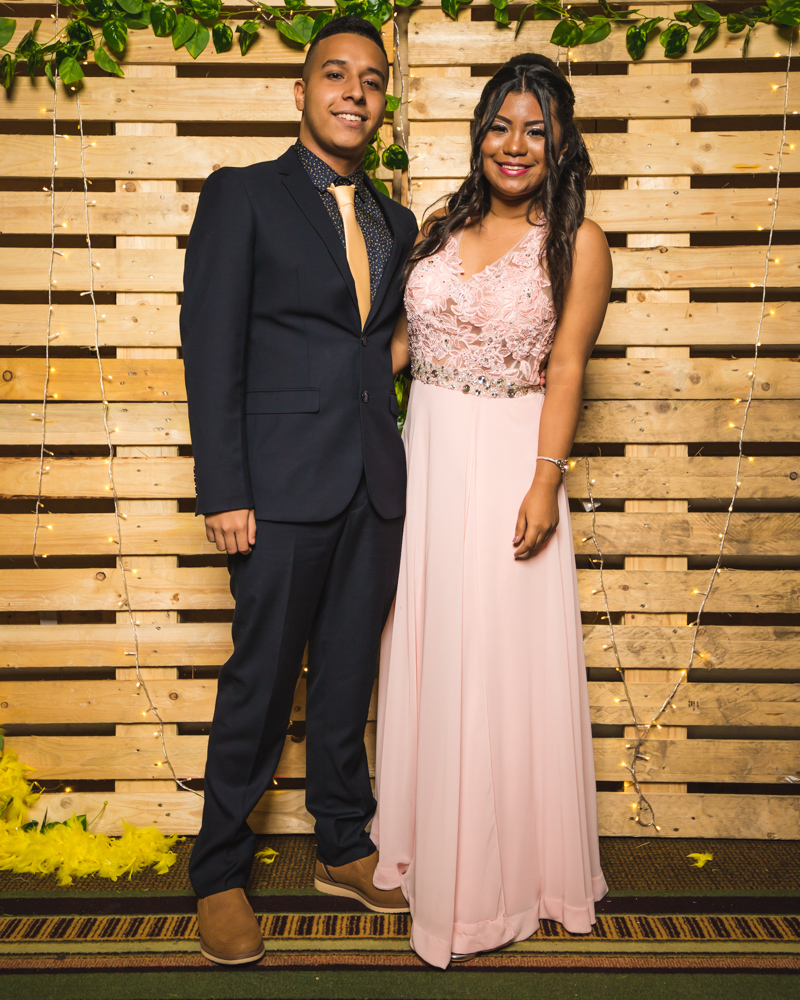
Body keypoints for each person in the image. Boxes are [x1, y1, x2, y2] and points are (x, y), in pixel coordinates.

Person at [180, 16, 418, 965]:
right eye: (335, 74)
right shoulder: (242, 194)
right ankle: (218, 872)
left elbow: (375, 348)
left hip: (372, 482)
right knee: (261, 681)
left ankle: (343, 844)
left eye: (371, 80)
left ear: (383, 101)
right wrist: (223, 489)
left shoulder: (396, 223)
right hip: (274, 487)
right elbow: (210, 347)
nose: (354, 92)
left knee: (348, 677)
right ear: (302, 90)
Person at [371, 53, 612, 969]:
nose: (515, 146)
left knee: (495, 659)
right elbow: (401, 343)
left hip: (513, 458)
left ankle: (502, 884)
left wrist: (546, 480)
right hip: (427, 456)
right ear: (480, 134)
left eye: (536, 131)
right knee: (432, 643)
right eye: (501, 126)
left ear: (562, 144)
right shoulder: (441, 225)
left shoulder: (578, 240)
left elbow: (568, 367)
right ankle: (428, 848)